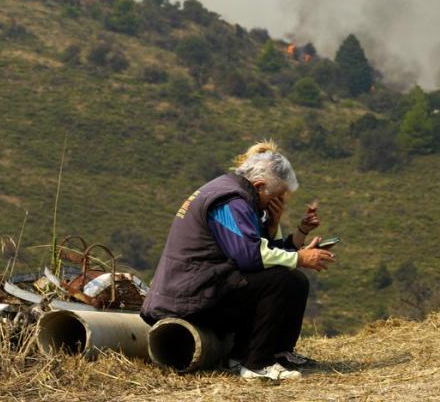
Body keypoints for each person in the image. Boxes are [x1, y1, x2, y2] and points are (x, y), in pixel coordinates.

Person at [141, 141, 335, 380]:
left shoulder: (238, 195)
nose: (279, 203)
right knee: (282, 280)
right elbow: (250, 257)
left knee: (294, 279)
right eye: (276, 196)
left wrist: (296, 236)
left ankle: (278, 353)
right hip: (188, 299)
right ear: (260, 186)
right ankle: (256, 362)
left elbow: (258, 251)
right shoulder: (230, 200)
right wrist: (299, 257)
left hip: (206, 289)